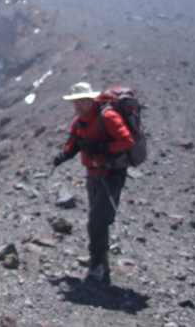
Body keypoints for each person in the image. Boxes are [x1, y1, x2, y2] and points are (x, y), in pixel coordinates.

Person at [52, 82, 134, 285]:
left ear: (90, 100)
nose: (77, 106)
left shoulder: (107, 117)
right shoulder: (79, 122)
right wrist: (63, 156)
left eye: (80, 101)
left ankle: (97, 263)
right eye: (74, 103)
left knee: (96, 221)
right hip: (93, 174)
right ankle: (101, 261)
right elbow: (73, 144)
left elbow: (127, 141)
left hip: (111, 174)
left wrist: (102, 148)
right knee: (97, 218)